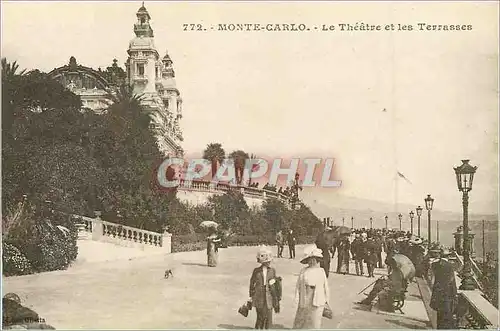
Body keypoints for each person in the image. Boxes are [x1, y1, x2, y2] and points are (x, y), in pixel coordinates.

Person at [293, 245, 330, 329]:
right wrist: (296, 299)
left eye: (314, 259)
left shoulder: (321, 271)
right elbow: (298, 286)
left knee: (315, 320)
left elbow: (325, 286)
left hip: (317, 297)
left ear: (317, 260)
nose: (312, 261)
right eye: (310, 260)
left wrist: (326, 300)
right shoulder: (303, 271)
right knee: (302, 319)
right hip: (305, 296)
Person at [249, 246, 280, 329]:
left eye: (269, 261)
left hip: (269, 296)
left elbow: (275, 284)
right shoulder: (256, 271)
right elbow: (252, 283)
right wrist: (251, 295)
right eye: (267, 261)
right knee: (260, 316)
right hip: (259, 296)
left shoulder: (272, 270)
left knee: (269, 316)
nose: (268, 262)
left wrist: (276, 296)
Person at [430, 248, 458, 329]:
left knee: (439, 312)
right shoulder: (450, 266)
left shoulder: (434, 264)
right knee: (447, 313)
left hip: (437, 291)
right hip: (447, 292)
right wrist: (455, 294)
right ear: (448, 256)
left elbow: (433, 277)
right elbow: (452, 281)